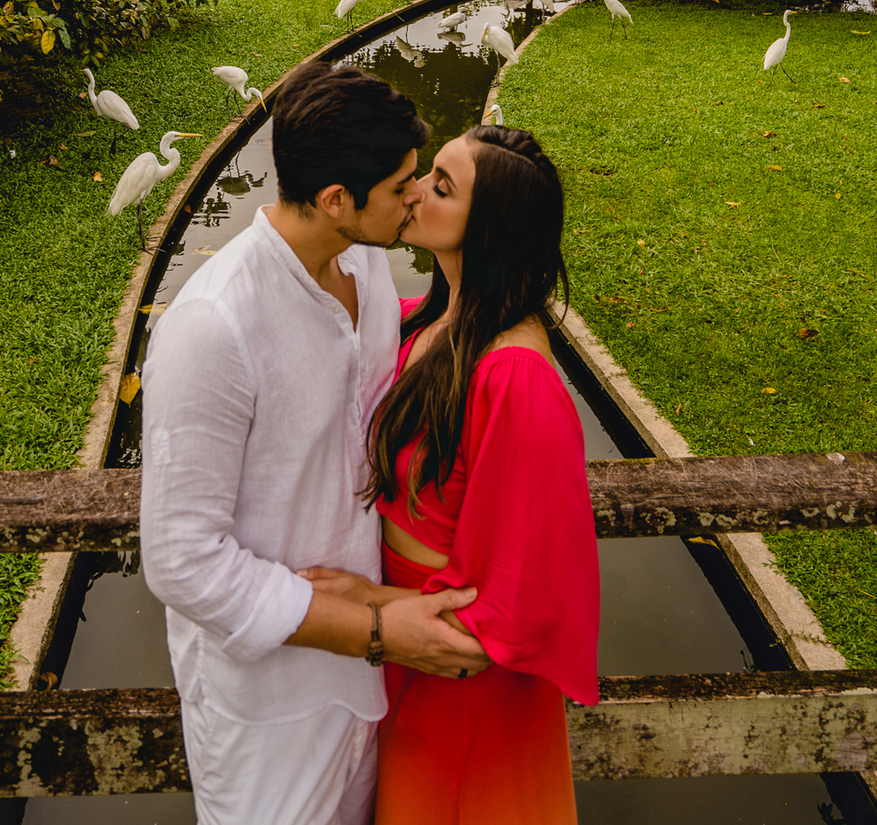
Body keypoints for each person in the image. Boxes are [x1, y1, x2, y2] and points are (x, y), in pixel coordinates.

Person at [139, 61, 490, 825]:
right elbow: (180, 561)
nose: (416, 197)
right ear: (336, 200)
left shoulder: (363, 261)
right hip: (271, 707)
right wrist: (376, 629)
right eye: (400, 185)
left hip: (369, 676)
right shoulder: (212, 327)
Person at [305, 121, 601, 823]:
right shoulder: (427, 322)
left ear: (488, 226)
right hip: (410, 657)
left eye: (441, 186)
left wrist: (365, 604)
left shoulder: (515, 377)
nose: (412, 192)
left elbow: (508, 610)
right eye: (423, 176)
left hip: (458, 685)